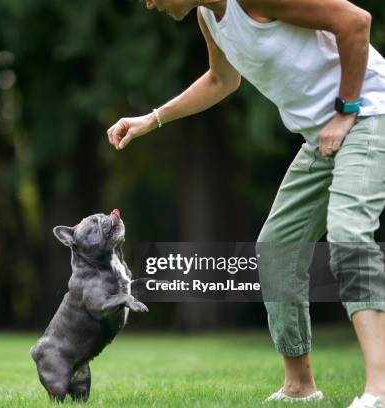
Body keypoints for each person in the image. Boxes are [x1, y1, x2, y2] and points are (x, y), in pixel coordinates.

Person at [106, 1, 385, 407]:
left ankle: (379, 389)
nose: (149, 3)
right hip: (322, 136)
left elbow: (356, 22)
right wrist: (151, 119)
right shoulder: (207, 16)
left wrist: (346, 110)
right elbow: (222, 80)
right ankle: (299, 386)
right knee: (277, 247)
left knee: (348, 234)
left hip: (367, 114)